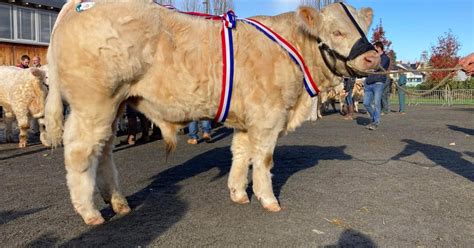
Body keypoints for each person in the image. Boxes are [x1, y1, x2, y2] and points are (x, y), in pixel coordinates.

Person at [363, 41, 390, 130]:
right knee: (366, 103)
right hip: (369, 82)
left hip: (378, 83)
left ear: (379, 48)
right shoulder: (372, 57)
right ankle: (373, 118)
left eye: (375, 49)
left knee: (376, 103)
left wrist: (371, 67)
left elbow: (378, 67)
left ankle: (376, 122)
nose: (373, 51)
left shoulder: (385, 58)